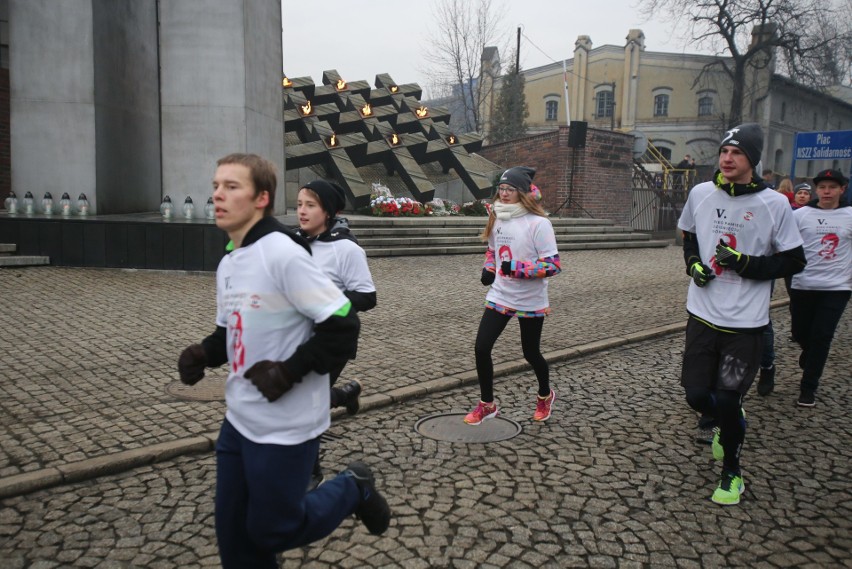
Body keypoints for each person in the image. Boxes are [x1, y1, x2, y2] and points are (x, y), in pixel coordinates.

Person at [177, 153, 390, 567]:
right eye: (216, 185)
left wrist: (289, 371)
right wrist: (205, 352)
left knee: (272, 529)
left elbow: (343, 324)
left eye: (232, 186)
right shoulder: (229, 262)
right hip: (238, 421)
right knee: (236, 543)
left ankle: (353, 488)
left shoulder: (284, 254)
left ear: (262, 199)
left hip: (286, 425)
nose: (218, 194)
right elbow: (231, 332)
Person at [677, 124, 806, 505]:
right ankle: (726, 421)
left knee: (729, 400)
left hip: (745, 326)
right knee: (698, 395)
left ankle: (732, 471)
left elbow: (793, 260)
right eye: (724, 151)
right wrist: (693, 266)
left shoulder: (775, 204)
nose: (727, 158)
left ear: (752, 159)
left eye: (737, 153)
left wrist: (746, 263)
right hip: (701, 315)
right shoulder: (701, 193)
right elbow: (688, 237)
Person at [294, 179, 377, 487]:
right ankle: (344, 394)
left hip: (333, 341)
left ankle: (311, 473)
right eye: (300, 204)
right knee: (299, 399)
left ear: (327, 211)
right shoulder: (293, 242)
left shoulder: (346, 249)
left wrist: (324, 302)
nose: (302, 211)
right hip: (297, 339)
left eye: (310, 205)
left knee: (304, 405)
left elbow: (367, 297)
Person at [465, 167, 561, 425]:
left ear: (522, 193)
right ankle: (487, 404)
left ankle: (545, 395)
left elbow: (552, 266)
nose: (504, 194)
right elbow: (492, 251)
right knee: (481, 347)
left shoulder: (540, 224)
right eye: (501, 189)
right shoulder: (498, 217)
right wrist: (490, 268)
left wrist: (516, 269)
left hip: (530, 300)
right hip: (500, 295)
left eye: (510, 189)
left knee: (531, 353)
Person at [789, 169, 852, 407]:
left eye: (832, 187)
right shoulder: (801, 215)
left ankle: (808, 387)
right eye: (823, 187)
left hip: (837, 287)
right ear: (817, 190)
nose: (827, 192)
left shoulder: (849, 215)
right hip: (803, 284)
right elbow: (786, 245)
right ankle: (809, 351)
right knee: (800, 333)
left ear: (842, 189)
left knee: (823, 336)